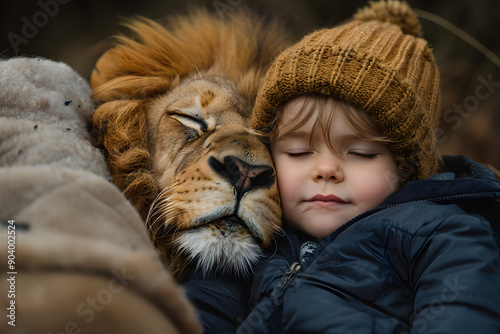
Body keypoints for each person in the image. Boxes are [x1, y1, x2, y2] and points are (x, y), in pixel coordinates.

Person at [183, 1, 500, 333]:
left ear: (405, 169)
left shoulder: (440, 234)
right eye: (299, 151)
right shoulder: (258, 234)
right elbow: (204, 310)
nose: (326, 170)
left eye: (361, 153)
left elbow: (462, 313)